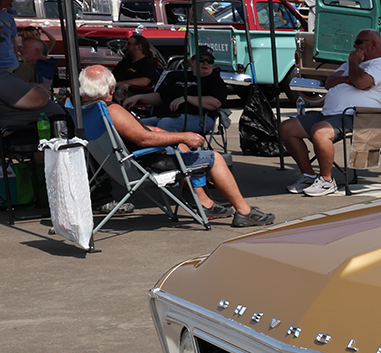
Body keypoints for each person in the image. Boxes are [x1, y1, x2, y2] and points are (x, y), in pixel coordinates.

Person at [79, 64, 273, 226]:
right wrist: (184, 136)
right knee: (214, 157)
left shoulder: (85, 110)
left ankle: (204, 202)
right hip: (146, 162)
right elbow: (143, 140)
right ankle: (244, 212)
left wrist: (160, 132)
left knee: (179, 146)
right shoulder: (112, 110)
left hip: (120, 163)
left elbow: (136, 133)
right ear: (111, 89)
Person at [279, 28, 381, 197]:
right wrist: (350, 78)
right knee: (287, 128)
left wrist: (354, 66)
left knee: (320, 133)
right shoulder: (350, 64)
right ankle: (309, 175)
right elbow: (329, 82)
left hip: (359, 116)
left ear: (373, 45)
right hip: (330, 114)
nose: (354, 46)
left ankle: (326, 181)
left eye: (359, 42)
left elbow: (361, 82)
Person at [124, 46, 227, 133]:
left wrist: (186, 98)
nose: (206, 63)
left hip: (200, 118)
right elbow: (161, 97)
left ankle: (167, 154)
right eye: (201, 60)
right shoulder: (180, 76)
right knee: (134, 125)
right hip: (167, 115)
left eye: (209, 61)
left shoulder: (214, 80)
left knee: (166, 123)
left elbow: (215, 103)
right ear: (191, 62)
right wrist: (138, 97)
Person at [112, 33, 163, 98]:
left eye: (129, 44)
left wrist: (120, 84)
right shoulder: (124, 63)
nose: (126, 47)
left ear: (138, 47)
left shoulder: (148, 63)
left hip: (133, 95)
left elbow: (144, 81)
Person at [0, 0, 16, 73]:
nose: (12, 0)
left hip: (10, 64)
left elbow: (13, 39)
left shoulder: (9, 17)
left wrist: (16, 60)